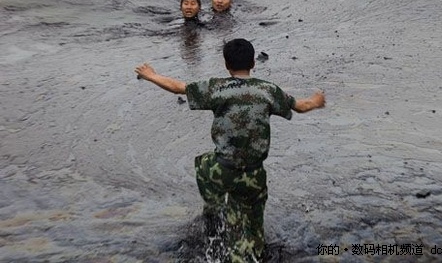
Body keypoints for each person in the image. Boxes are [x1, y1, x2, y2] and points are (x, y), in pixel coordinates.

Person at [135, 38, 325, 262]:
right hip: (254, 175)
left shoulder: (218, 88)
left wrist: (151, 75)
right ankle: (249, 249)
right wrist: (316, 100)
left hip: (221, 170)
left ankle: (214, 216)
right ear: (253, 62)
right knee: (251, 228)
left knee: (204, 164)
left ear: (226, 65)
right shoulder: (269, 90)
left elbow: (179, 87)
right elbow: (301, 106)